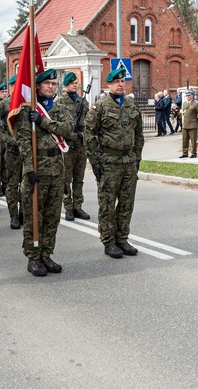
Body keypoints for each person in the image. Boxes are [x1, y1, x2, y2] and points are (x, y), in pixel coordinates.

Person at [14, 68, 74, 276]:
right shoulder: (26, 111)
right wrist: (29, 169)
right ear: (37, 86)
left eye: (54, 84)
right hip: (36, 167)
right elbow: (23, 142)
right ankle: (33, 256)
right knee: (34, 215)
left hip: (56, 167)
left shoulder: (59, 109)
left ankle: (47, 254)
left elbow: (68, 131)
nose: (51, 86)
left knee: (52, 215)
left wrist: (43, 122)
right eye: (47, 83)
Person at [85, 67, 144, 259]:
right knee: (108, 203)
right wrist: (95, 161)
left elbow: (138, 134)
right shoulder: (100, 106)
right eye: (116, 82)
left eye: (122, 81)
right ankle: (109, 241)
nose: (120, 84)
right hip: (108, 161)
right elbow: (89, 134)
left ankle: (122, 238)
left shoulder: (131, 106)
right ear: (108, 84)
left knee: (127, 202)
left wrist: (136, 158)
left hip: (128, 161)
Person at [55, 71, 91, 222]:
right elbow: (57, 125)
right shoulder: (60, 103)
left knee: (79, 177)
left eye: (76, 83)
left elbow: (88, 122)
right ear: (66, 85)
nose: (75, 85)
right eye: (72, 83)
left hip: (81, 145)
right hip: (67, 146)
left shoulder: (83, 102)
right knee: (66, 178)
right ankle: (68, 207)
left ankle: (78, 206)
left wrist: (83, 134)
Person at [0, 74, 23, 230]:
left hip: (28, 151)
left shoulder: (29, 104)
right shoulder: (4, 105)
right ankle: (13, 215)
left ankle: (24, 212)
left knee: (27, 183)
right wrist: (12, 141)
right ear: (12, 86)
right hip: (12, 151)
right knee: (12, 184)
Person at [179, 90, 198, 158]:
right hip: (185, 124)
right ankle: (185, 153)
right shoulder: (184, 104)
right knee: (184, 140)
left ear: (192, 95)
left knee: (193, 140)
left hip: (193, 124)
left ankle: (193, 153)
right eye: (186, 96)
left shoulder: (196, 104)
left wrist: (197, 122)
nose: (187, 97)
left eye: (189, 96)